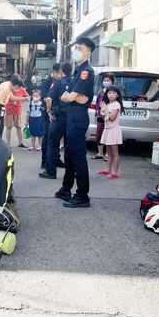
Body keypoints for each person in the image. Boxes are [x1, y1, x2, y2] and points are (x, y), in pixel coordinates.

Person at [54, 37, 96, 208]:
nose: (76, 50)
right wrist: (71, 97)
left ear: (88, 52)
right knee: (69, 155)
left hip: (78, 117)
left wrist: (72, 97)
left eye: (79, 48)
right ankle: (66, 188)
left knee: (78, 157)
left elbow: (69, 96)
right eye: (75, 47)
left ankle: (82, 195)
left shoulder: (86, 72)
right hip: (72, 116)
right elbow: (66, 96)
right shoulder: (78, 71)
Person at [39, 62, 71, 179]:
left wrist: (49, 111)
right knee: (68, 144)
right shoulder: (73, 82)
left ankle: (51, 171)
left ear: (61, 71)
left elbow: (48, 99)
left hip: (57, 117)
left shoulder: (58, 84)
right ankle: (70, 170)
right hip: (70, 119)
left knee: (52, 142)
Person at [98, 86, 124, 178]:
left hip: (114, 130)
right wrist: (104, 109)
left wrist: (105, 109)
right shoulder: (108, 105)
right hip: (108, 129)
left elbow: (112, 118)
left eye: (114, 93)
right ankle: (108, 169)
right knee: (108, 152)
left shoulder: (116, 104)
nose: (111, 95)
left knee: (114, 152)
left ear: (117, 95)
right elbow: (104, 116)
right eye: (109, 93)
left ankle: (115, 172)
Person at [40, 63, 61, 168]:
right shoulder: (46, 82)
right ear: (55, 72)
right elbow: (45, 97)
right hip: (48, 113)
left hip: (58, 113)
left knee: (56, 137)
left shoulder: (59, 82)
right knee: (48, 137)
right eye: (59, 73)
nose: (60, 75)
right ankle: (45, 161)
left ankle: (56, 159)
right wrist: (50, 110)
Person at [92, 73, 115, 160]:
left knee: (108, 136)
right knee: (99, 135)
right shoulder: (100, 92)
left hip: (109, 117)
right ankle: (100, 153)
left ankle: (108, 154)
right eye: (104, 80)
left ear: (112, 82)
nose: (106, 82)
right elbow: (97, 104)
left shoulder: (114, 92)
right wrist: (97, 114)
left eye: (108, 80)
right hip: (100, 117)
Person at [4, 75, 30, 148]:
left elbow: (28, 97)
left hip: (17, 110)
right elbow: (11, 98)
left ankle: (20, 142)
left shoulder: (22, 89)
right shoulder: (10, 89)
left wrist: (21, 102)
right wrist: (21, 99)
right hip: (9, 110)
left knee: (19, 127)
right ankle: (8, 143)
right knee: (9, 127)